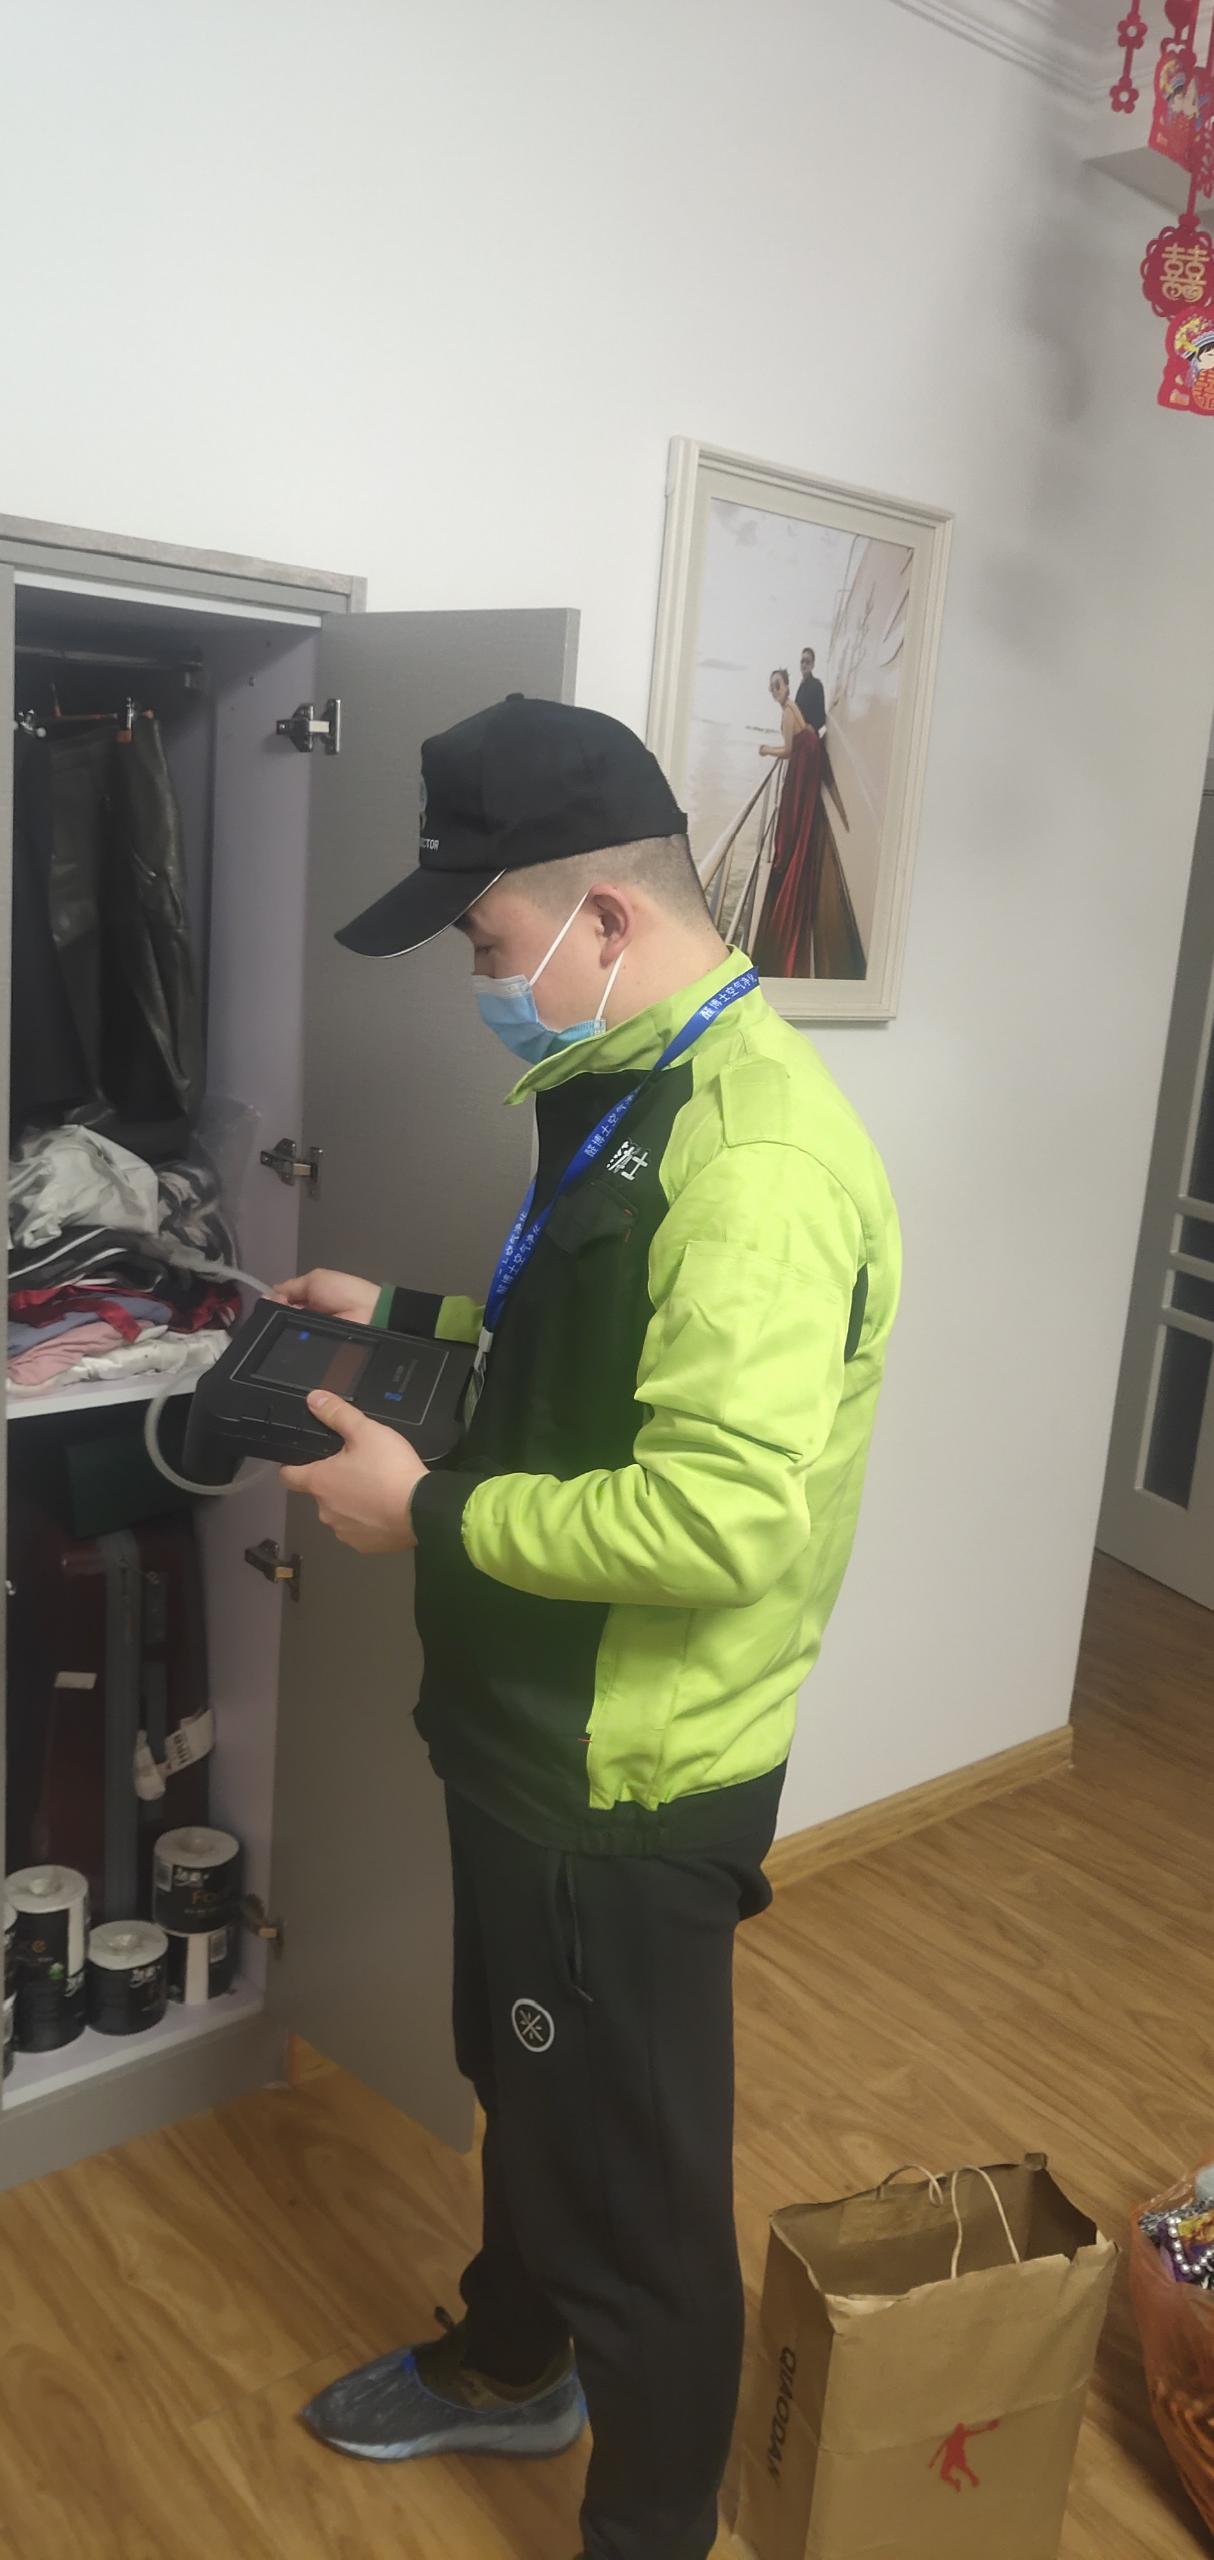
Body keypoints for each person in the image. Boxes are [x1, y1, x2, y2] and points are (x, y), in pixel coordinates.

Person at [278, 695, 901, 2560]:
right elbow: (587, 1356)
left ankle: (647, 2525)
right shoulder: (627, 1082)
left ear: (601, 919)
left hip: (619, 1776)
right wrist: (400, 1318)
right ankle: (509, 2363)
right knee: (525, 2087)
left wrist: (425, 1512)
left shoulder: (756, 1161)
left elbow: (720, 1515)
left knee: (635, 2200)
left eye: (487, 945)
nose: (481, 982)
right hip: (522, 1727)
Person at [760, 665, 806, 764]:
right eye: (772, 687)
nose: (775, 690)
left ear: (786, 686)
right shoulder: (790, 704)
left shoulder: (788, 712)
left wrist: (767, 751)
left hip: (804, 761)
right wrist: (769, 748)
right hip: (804, 756)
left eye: (777, 685)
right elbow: (789, 747)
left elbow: (788, 752)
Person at [795, 646, 827, 735]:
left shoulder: (817, 685)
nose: (804, 664)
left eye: (807, 662)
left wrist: (811, 727)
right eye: (802, 661)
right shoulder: (801, 686)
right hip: (799, 734)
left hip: (809, 738)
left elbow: (822, 717)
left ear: (813, 665)